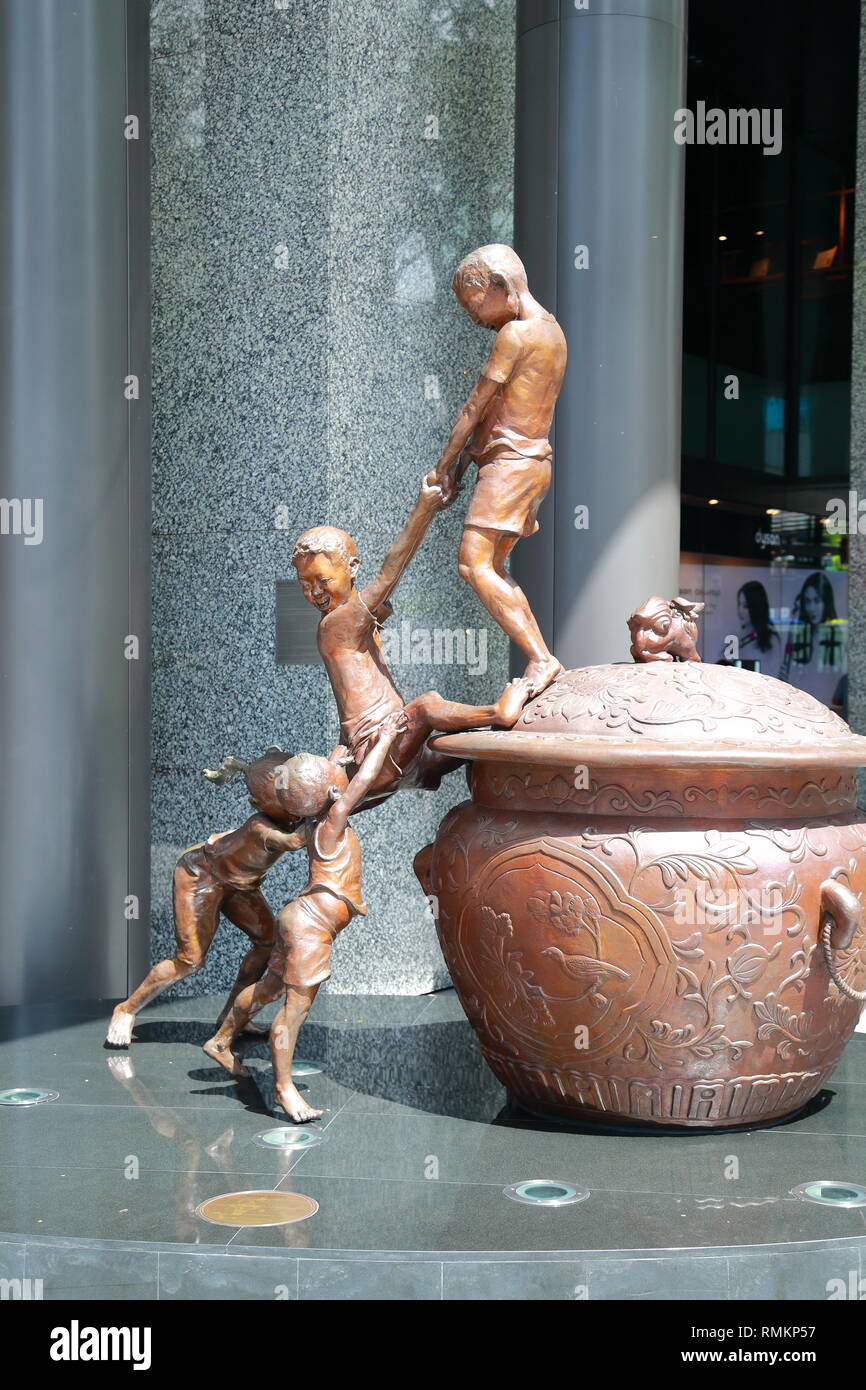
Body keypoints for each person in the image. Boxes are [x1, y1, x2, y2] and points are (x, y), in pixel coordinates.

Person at [202, 716, 404, 1122]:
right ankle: (284, 1089)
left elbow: (319, 786)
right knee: (294, 1010)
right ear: (331, 792)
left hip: (300, 919)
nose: (340, 781)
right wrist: (384, 740)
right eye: (334, 779)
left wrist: (335, 757)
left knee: (269, 987)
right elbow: (361, 782)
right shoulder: (332, 820)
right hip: (311, 928)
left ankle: (222, 1039)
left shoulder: (308, 815)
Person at [291, 479, 526, 804]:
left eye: (323, 580)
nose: (314, 592)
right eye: (305, 583)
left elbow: (350, 691)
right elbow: (390, 572)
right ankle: (498, 711)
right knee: (427, 706)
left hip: (397, 755)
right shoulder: (337, 624)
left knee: (478, 745)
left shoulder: (349, 620)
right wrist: (424, 508)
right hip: (382, 748)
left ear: (353, 568)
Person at [427, 244, 567, 703]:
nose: (475, 319)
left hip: (511, 467)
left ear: (500, 287)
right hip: (531, 465)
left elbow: (475, 408)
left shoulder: (516, 336)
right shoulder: (554, 333)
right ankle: (541, 655)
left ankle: (541, 657)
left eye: (475, 305)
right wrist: (468, 458)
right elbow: (507, 412)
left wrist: (444, 467)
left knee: (473, 563)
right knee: (491, 567)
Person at [106, 748, 305, 1047]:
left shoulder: (290, 815)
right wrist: (338, 804)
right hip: (200, 875)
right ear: (257, 803)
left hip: (242, 884)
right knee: (190, 959)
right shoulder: (259, 825)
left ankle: (233, 1016)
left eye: (294, 791)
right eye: (286, 795)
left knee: (268, 942)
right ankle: (125, 1009)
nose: (295, 800)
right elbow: (295, 841)